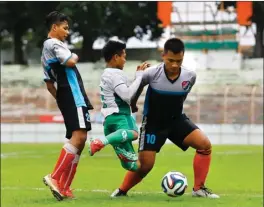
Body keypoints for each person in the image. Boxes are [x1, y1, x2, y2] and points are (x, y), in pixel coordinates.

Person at [110, 38, 220, 198]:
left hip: (176, 120)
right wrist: (133, 105)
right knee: (145, 165)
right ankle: (121, 191)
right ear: (163, 56)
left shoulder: (190, 76)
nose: (175, 65)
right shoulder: (151, 73)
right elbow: (135, 91)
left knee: (204, 145)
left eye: (179, 61)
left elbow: (180, 98)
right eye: (171, 60)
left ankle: (199, 189)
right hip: (153, 124)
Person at [41, 11, 93, 201]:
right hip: (73, 94)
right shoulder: (54, 44)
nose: (67, 32)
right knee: (79, 138)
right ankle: (54, 178)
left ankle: (64, 187)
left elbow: (48, 83)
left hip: (69, 96)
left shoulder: (45, 50)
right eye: (65, 28)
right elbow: (70, 61)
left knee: (80, 139)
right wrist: (76, 55)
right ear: (54, 28)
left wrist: (61, 100)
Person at [87, 40, 149, 172]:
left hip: (109, 123)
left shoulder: (106, 74)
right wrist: (139, 77)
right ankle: (101, 142)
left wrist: (136, 77)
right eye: (124, 56)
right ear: (116, 57)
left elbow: (123, 93)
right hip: (121, 118)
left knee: (133, 166)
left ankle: (118, 149)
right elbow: (127, 95)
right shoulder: (115, 74)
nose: (125, 60)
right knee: (134, 133)